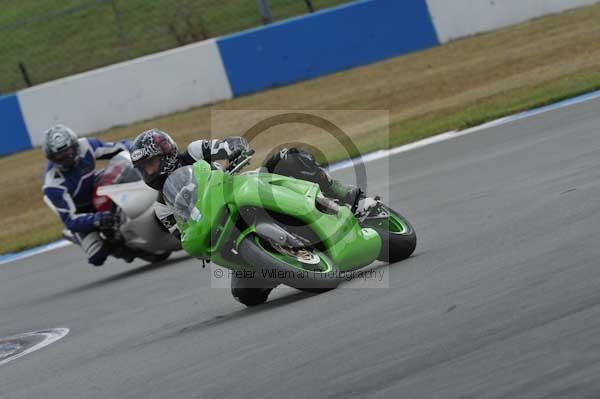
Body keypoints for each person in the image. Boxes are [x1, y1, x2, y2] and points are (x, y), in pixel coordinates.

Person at [129, 128, 369, 304]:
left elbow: (224, 145)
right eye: (143, 169)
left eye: (151, 163)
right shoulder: (162, 207)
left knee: (288, 157)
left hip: (242, 189)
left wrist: (233, 149)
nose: (149, 172)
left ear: (167, 153)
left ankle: (354, 200)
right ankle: (282, 265)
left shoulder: (192, 152)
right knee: (245, 294)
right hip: (223, 230)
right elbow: (181, 233)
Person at [42, 124, 131, 266]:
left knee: (120, 173)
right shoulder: (52, 184)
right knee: (97, 256)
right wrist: (96, 219)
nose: (65, 158)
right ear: (51, 158)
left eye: (67, 152)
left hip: (96, 188)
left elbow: (120, 148)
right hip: (80, 213)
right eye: (59, 156)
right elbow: (70, 219)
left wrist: (138, 149)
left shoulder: (87, 146)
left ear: (74, 146)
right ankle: (84, 238)